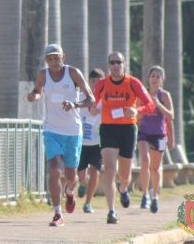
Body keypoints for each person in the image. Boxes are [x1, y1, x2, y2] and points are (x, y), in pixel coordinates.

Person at [27, 44, 94, 227]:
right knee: (55, 170)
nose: (53, 62)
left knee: (72, 177)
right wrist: (34, 96)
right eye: (50, 59)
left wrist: (75, 104)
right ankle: (58, 213)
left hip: (72, 131)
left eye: (56, 58)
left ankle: (70, 193)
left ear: (63, 57)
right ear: (46, 61)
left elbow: (91, 99)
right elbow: (37, 91)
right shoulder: (43, 75)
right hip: (52, 129)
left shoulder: (73, 73)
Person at [93, 52, 155, 224]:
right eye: (112, 62)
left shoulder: (133, 83)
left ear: (124, 64)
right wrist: (92, 109)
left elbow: (150, 105)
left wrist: (137, 110)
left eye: (118, 62)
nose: (115, 65)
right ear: (108, 65)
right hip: (108, 128)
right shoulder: (102, 84)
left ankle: (124, 188)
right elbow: (93, 103)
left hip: (128, 129)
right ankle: (111, 211)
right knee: (110, 169)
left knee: (125, 175)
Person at [137, 66, 174, 214]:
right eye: (153, 76)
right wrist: (146, 107)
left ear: (162, 79)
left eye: (158, 76)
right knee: (145, 162)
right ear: (148, 78)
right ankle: (144, 194)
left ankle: (155, 196)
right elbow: (137, 115)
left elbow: (171, 116)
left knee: (155, 167)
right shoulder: (142, 94)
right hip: (144, 133)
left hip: (159, 134)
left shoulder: (165, 95)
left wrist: (158, 105)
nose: (155, 79)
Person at [77, 68, 105, 214]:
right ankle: (84, 183)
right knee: (81, 175)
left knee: (95, 171)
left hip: (98, 143)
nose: (95, 84)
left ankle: (88, 203)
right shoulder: (82, 97)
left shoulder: (106, 100)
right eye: (93, 80)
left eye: (98, 81)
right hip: (82, 142)